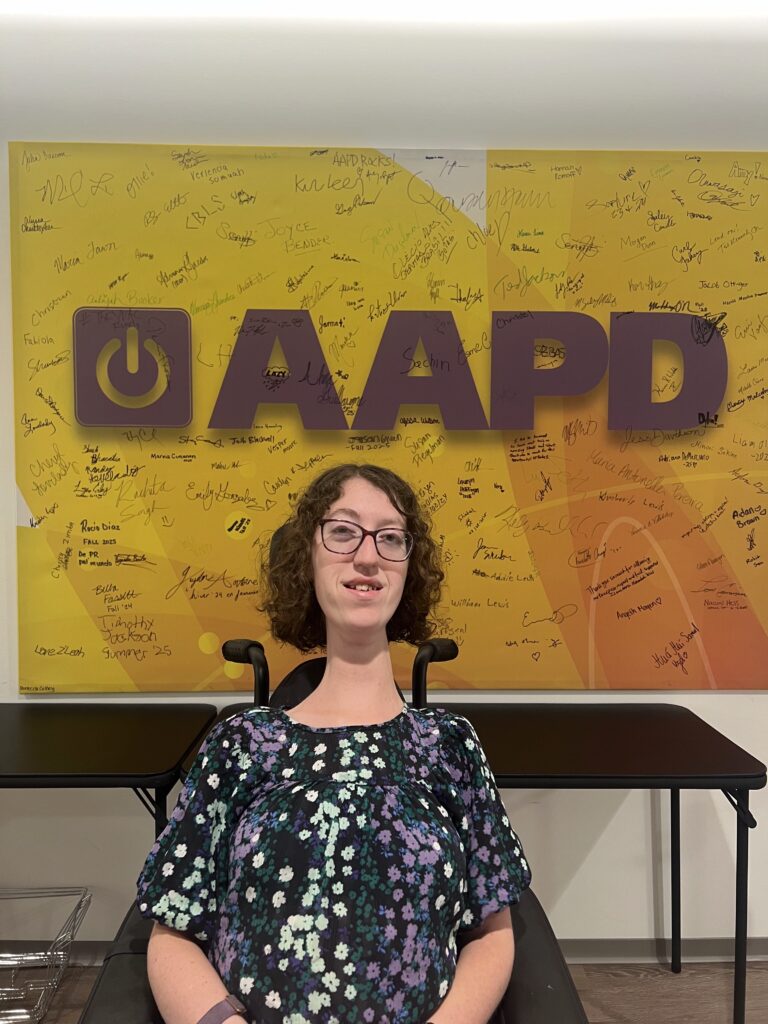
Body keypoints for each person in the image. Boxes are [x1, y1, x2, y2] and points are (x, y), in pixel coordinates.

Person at [136, 463, 531, 1024]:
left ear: (407, 570)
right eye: (343, 531)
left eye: (390, 538)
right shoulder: (242, 744)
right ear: (307, 559)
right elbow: (170, 930)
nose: (367, 557)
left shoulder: (449, 746)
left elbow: (493, 931)